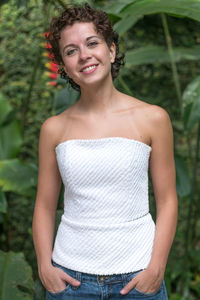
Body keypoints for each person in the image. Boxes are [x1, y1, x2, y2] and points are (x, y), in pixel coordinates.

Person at [32, 3, 178, 300]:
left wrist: (156, 268)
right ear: (64, 66)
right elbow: (45, 205)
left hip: (138, 279)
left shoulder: (153, 118)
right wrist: (44, 267)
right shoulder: (54, 129)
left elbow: (168, 199)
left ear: (111, 51)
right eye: (71, 51)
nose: (84, 55)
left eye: (92, 43)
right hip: (70, 281)